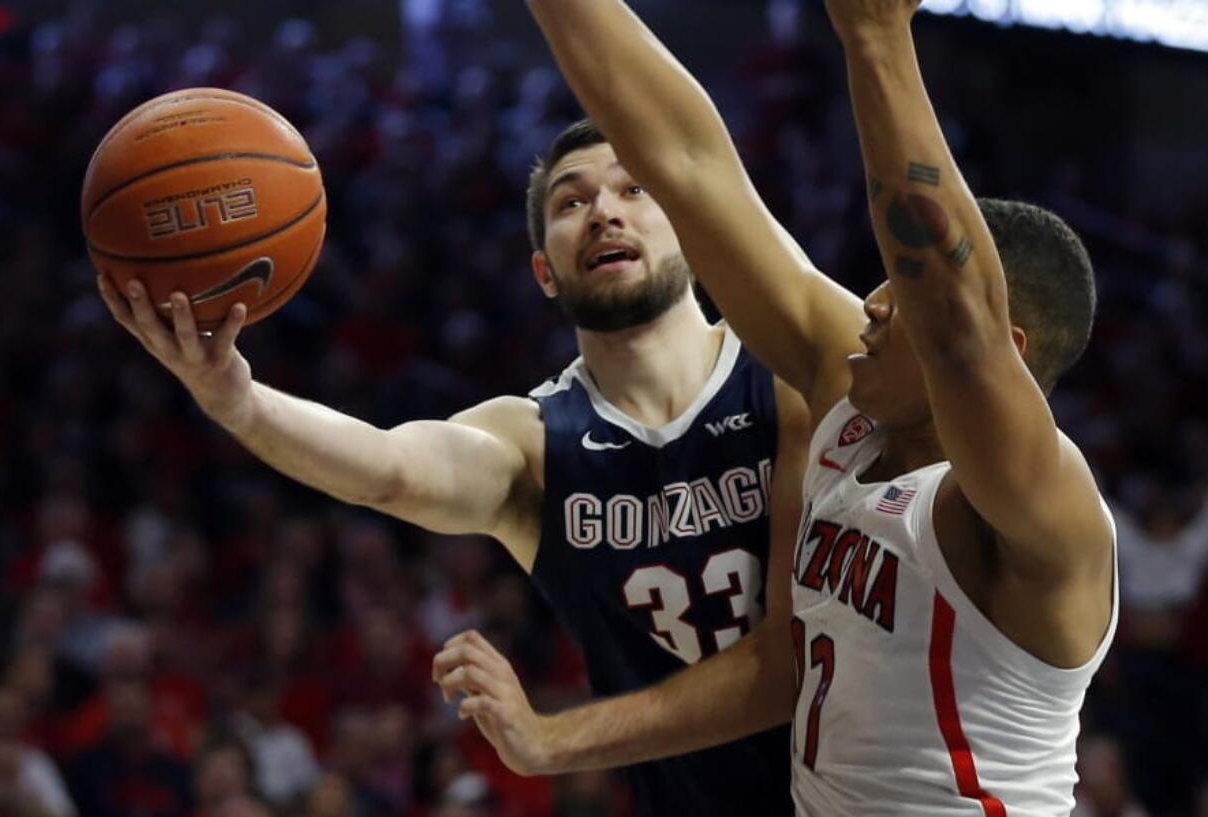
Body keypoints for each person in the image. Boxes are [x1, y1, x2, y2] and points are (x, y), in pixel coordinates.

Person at [433, 1, 1116, 814]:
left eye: (899, 298)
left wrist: (876, 39)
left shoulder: (1045, 512)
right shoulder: (850, 407)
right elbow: (689, 165)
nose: (867, 304)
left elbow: (957, 317)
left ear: (1006, 347)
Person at [96, 119, 810, 815]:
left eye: (634, 190)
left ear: (688, 218)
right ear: (545, 272)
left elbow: (792, 661)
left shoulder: (791, 377)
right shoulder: (534, 442)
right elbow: (388, 466)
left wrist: (549, 738)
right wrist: (239, 401)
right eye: (571, 200)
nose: (602, 212)